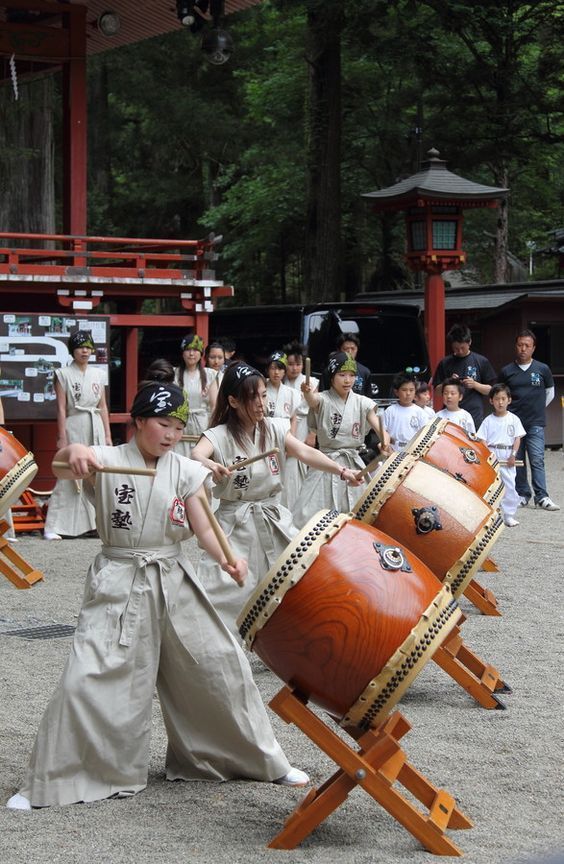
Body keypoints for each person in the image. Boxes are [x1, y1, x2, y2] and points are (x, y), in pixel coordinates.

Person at [6, 380, 308, 811]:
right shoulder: (106, 460)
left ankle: (258, 760)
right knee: (90, 671)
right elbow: (67, 465)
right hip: (120, 578)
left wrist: (227, 558)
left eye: (177, 426)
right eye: (162, 423)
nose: (169, 434)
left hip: (173, 574)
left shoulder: (185, 468)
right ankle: (60, 778)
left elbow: (203, 524)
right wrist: (71, 455)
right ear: (138, 422)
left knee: (219, 660)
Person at [191, 362, 361, 634]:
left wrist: (342, 470)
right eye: (252, 397)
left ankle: (288, 643)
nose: (261, 403)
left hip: (272, 517)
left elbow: (305, 453)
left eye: (263, 395)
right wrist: (208, 463)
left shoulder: (274, 428)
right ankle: (221, 647)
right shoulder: (218, 435)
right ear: (233, 401)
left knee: (296, 579)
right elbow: (196, 454)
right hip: (235, 520)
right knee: (223, 589)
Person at [292, 352, 389, 530]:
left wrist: (384, 441)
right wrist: (307, 392)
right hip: (325, 463)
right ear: (331, 376)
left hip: (354, 464)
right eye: (342, 375)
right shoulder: (322, 399)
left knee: (360, 518)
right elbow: (312, 401)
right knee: (308, 518)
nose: (347, 380)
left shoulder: (363, 402)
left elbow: (379, 427)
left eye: (352, 375)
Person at [43, 330, 112, 540]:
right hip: (75, 423)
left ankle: (93, 524)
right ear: (73, 350)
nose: (85, 351)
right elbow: (61, 408)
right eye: (81, 347)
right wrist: (62, 436)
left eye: (88, 347)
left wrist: (108, 435)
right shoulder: (62, 374)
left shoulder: (98, 374)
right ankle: (53, 526)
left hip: (96, 424)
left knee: (96, 473)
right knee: (70, 472)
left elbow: (103, 407)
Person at [498, 329, 559, 510]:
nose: (523, 349)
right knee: (518, 459)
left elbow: (550, 392)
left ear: (533, 348)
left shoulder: (542, 369)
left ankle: (542, 497)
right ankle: (522, 494)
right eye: (520, 345)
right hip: (514, 423)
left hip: (535, 422)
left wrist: (538, 409)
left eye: (527, 346)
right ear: (515, 346)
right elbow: (501, 394)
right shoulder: (507, 371)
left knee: (537, 458)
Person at [476, 383, 526, 528]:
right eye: (497, 399)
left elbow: (517, 438)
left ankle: (509, 515)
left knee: (510, 485)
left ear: (509, 400)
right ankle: (491, 516)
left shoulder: (514, 419)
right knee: (490, 486)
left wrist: (513, 455)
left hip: (508, 454)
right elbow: (482, 439)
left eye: (503, 399)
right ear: (491, 401)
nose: (500, 402)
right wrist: (489, 455)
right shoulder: (488, 420)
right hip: (492, 454)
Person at [432, 324, 496, 427]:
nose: (460, 351)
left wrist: (475, 384)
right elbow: (437, 392)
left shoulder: (481, 361)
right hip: (449, 415)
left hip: (474, 414)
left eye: (462, 348)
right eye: (456, 348)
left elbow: (491, 390)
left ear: (469, 342)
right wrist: (448, 382)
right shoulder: (445, 363)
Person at [281, 342, 319, 508]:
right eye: (290, 364)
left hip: (304, 425)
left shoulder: (311, 382)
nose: (294, 368)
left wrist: (313, 434)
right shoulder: (278, 380)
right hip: (283, 426)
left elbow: (315, 411)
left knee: (301, 464)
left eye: (298, 364)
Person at [174, 333, 217, 456]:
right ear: (183, 353)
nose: (191, 354)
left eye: (195, 350)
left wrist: (212, 430)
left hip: (203, 425)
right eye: (188, 350)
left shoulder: (210, 375)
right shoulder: (175, 374)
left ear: (201, 353)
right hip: (181, 425)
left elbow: (214, 406)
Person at [383, 372, 429, 451]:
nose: (408, 393)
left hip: (413, 450)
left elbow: (425, 434)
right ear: (396, 392)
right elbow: (383, 431)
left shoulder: (420, 412)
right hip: (393, 449)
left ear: (415, 391)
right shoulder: (390, 411)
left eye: (411, 390)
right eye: (404, 390)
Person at [265, 351, 300, 435]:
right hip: (266, 432)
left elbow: (293, 418)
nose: (276, 372)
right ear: (268, 370)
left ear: (284, 371)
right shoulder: (261, 389)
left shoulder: (291, 393)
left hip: (285, 434)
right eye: (273, 368)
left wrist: (292, 436)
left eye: (280, 369)